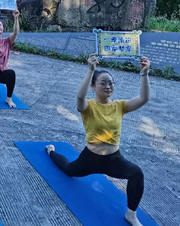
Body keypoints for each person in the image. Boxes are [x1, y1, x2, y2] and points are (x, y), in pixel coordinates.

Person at [46, 54, 151, 226]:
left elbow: (144, 99)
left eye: (111, 83)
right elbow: (79, 97)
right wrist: (90, 71)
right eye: (103, 83)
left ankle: (131, 215)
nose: (108, 86)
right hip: (90, 159)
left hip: (113, 159)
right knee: (68, 169)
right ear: (93, 86)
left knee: (137, 173)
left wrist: (145, 73)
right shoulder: (88, 106)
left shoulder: (120, 106)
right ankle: (51, 152)